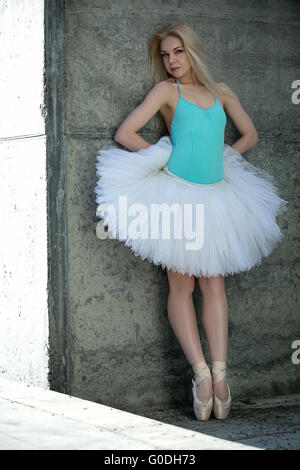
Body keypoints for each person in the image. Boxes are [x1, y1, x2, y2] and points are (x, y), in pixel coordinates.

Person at [94, 24, 287, 421]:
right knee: (181, 284)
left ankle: (220, 376)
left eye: (178, 52)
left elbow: (249, 134)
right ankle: (199, 375)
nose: (172, 61)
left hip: (218, 196)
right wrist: (160, 157)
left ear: (192, 51)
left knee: (214, 284)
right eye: (166, 55)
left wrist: (225, 158)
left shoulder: (222, 92)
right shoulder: (167, 91)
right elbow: (125, 133)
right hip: (177, 195)